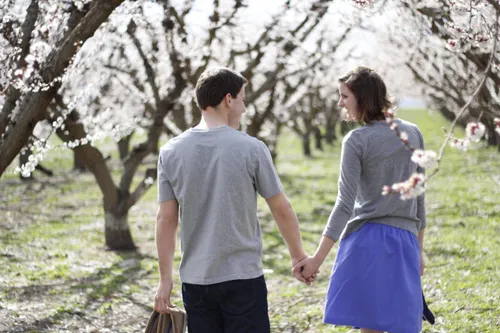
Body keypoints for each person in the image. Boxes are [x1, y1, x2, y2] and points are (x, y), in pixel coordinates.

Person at [154, 67, 311, 333]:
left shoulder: (170, 152)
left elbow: (166, 219)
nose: (245, 108)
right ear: (228, 99)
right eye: (242, 100)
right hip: (243, 277)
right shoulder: (252, 148)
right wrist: (298, 257)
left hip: (196, 280)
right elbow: (281, 207)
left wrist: (164, 279)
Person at [294, 66, 427, 333]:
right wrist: (419, 249)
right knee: (403, 323)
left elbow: (345, 203)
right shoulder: (413, 133)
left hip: (367, 242)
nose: (340, 103)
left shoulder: (356, 140)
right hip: (405, 240)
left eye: (345, 96)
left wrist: (317, 259)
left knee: (370, 327)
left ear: (363, 97)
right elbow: (418, 198)